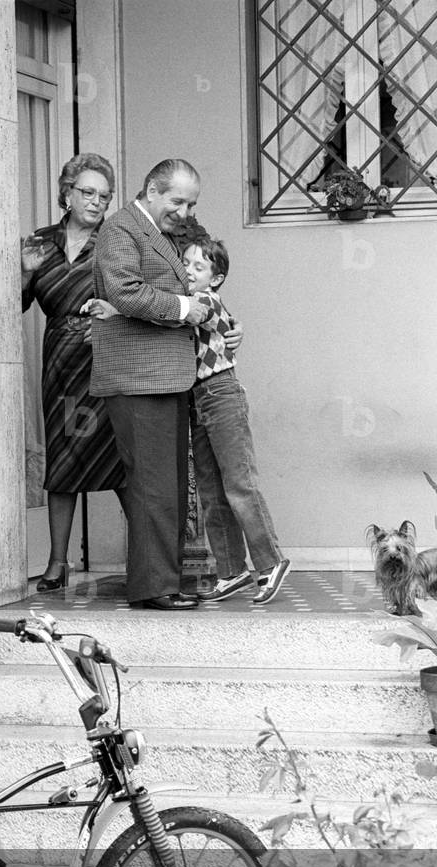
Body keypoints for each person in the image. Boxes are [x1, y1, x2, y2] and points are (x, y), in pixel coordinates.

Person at [90, 158, 241, 610]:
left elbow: (204, 284)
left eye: (191, 202)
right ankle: (155, 587)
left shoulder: (170, 233)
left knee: (169, 486)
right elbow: (125, 292)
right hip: (138, 379)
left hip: (170, 378)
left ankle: (165, 581)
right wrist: (184, 310)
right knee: (154, 486)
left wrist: (227, 325)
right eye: (177, 200)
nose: (185, 210)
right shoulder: (120, 230)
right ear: (151, 190)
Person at [21, 153, 125, 592]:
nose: (96, 202)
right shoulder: (40, 243)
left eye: (104, 195)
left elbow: (136, 296)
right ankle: (57, 562)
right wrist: (24, 274)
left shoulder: (116, 241)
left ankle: (149, 559)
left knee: (121, 460)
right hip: (61, 362)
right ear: (66, 193)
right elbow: (14, 306)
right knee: (63, 460)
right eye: (87, 192)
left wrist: (112, 313)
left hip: (104, 359)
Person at [182, 236, 290, 604]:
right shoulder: (192, 299)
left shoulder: (203, 300)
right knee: (212, 492)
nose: (189, 271)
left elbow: (208, 314)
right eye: (186, 263)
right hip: (199, 398)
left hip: (221, 392)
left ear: (215, 279)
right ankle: (231, 571)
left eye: (199, 267)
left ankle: (270, 561)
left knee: (239, 484)